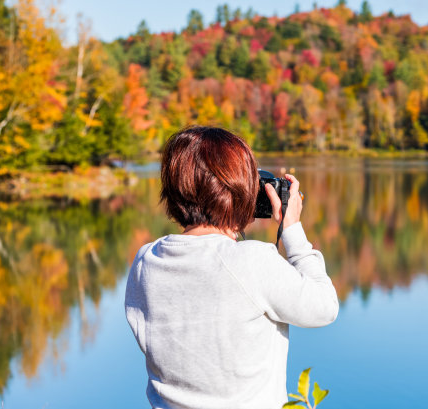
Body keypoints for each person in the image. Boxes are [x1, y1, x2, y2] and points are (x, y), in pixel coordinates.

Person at [124, 126, 339, 409]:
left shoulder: (145, 261)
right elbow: (324, 308)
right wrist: (293, 230)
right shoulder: (252, 261)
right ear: (235, 191)